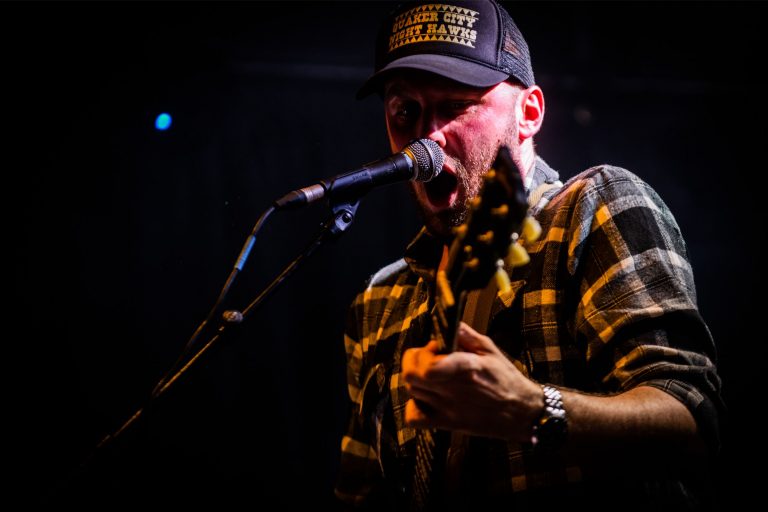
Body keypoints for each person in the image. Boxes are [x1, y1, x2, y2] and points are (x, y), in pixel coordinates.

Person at [334, 1, 724, 510]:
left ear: (529, 113)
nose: (426, 138)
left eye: (456, 105)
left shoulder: (594, 207)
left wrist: (533, 409)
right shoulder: (379, 300)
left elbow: (693, 423)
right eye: (405, 111)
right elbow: (360, 490)